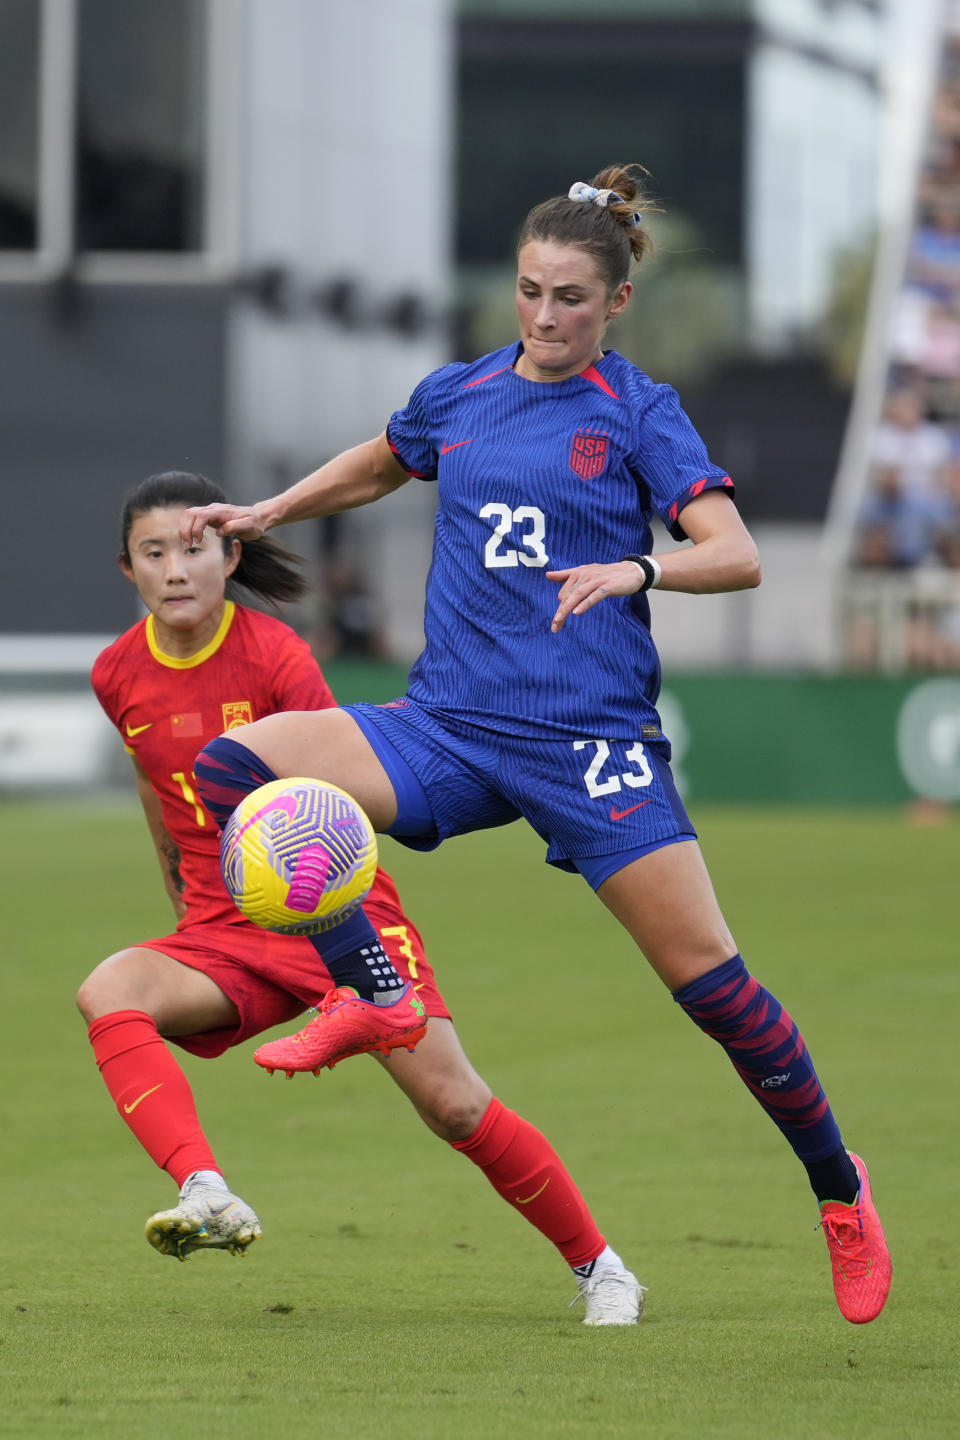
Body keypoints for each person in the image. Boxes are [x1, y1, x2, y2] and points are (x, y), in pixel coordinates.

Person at [181, 165, 892, 1327]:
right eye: (527, 290)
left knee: (715, 990)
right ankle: (377, 990)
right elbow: (380, 459)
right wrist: (268, 512)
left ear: (615, 302)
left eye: (570, 296)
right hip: (450, 726)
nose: (544, 316)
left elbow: (739, 551)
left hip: (589, 745)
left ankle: (839, 1190)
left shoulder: (637, 411)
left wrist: (640, 566)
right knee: (240, 767)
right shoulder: (460, 392)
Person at [80, 470, 645, 1327]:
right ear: (127, 569)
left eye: (193, 548)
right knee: (109, 990)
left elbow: (329, 803)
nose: (175, 569)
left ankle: (601, 1269)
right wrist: (188, 914)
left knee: (454, 1103)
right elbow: (158, 801)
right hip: (224, 930)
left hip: (335, 917)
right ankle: (206, 1192)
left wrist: (332, 930)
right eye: (153, 553)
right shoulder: (116, 673)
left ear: (230, 555)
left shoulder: (273, 654)